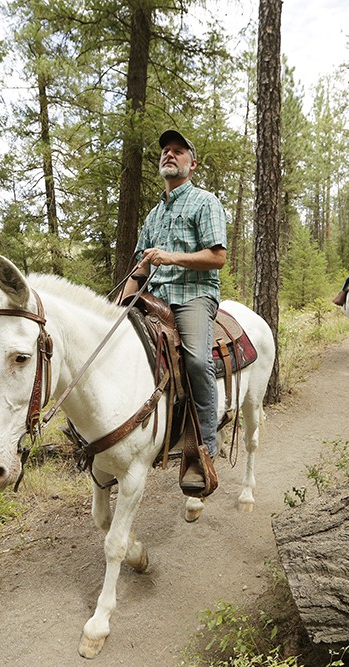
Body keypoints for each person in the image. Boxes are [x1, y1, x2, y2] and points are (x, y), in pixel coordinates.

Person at [121, 129, 227, 492]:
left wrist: (171, 257)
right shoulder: (152, 216)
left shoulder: (204, 202)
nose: (169, 154)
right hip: (154, 296)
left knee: (198, 360)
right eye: (165, 151)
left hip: (193, 295)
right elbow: (140, 268)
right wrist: (119, 305)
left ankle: (204, 450)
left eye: (178, 151)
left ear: (191, 164)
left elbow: (218, 257)